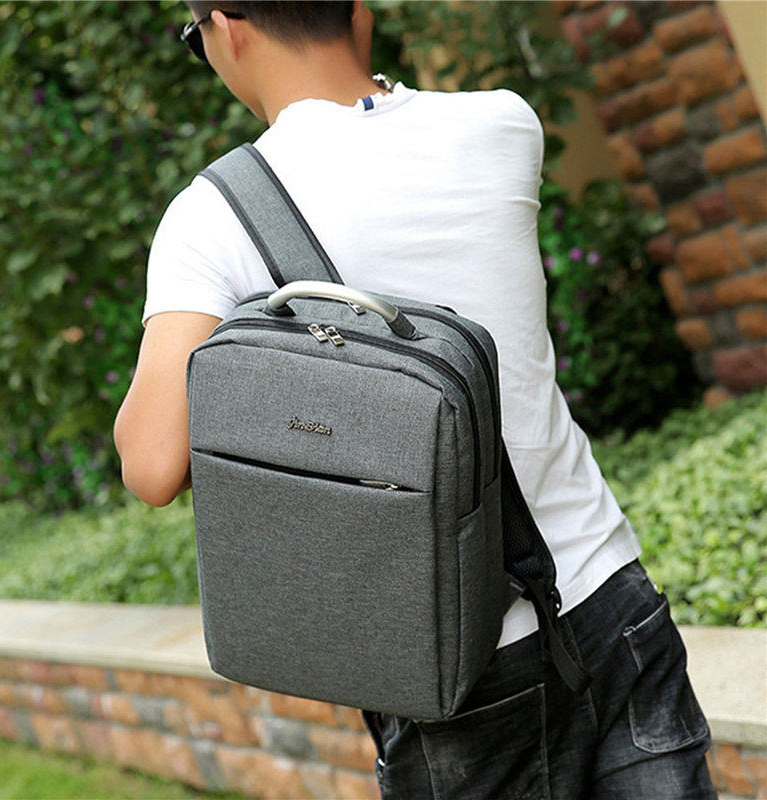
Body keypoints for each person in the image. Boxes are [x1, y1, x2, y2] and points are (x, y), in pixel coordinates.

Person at [114, 3, 717, 798]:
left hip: (463, 670)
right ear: (358, 12)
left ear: (227, 29)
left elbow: (152, 464)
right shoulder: (501, 125)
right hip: (612, 596)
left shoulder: (214, 217)